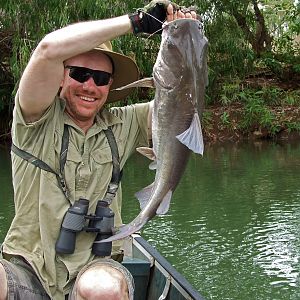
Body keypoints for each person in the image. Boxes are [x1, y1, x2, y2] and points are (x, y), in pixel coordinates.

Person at [0, 1, 197, 299]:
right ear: (62, 76)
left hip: (97, 263)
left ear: (110, 86)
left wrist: (186, 38)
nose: (90, 86)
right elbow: (48, 50)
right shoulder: (34, 118)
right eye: (80, 74)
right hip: (29, 267)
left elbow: (181, 101)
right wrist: (136, 22)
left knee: (102, 289)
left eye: (102, 79)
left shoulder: (126, 122)